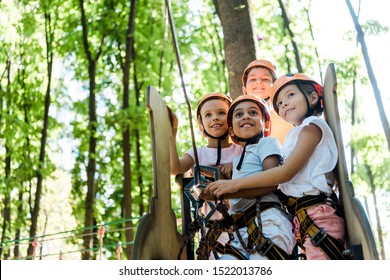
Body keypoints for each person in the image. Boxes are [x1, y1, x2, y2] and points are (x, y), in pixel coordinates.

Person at [205, 73, 347, 260]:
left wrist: (232, 186)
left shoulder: (312, 127)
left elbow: (284, 173)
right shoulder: (293, 137)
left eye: (290, 95)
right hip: (303, 217)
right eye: (279, 103)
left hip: (318, 215)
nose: (284, 104)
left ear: (313, 97)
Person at [203, 94, 295, 260]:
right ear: (231, 130)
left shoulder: (267, 143)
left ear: (265, 124)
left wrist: (229, 190)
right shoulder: (237, 159)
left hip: (268, 221)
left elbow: (273, 181)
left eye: (253, 113)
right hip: (241, 229)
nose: (246, 116)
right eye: (239, 114)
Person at [169, 92, 243, 259]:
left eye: (221, 113)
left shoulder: (241, 151)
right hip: (212, 229)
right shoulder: (198, 154)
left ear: (231, 119)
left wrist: (236, 167)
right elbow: (175, 168)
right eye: (208, 115)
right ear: (201, 125)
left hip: (243, 224)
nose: (215, 118)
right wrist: (173, 132)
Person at [241, 59, 293, 144]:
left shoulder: (288, 120)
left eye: (265, 79)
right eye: (253, 79)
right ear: (244, 90)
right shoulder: (234, 124)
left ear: (275, 87)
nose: (258, 82)